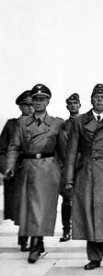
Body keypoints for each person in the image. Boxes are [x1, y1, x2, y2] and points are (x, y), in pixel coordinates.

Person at [64, 84, 103, 270]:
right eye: (96, 97)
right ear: (91, 100)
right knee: (90, 214)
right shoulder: (80, 122)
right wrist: (69, 179)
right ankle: (94, 256)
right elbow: (71, 152)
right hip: (88, 172)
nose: (100, 100)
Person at [5, 84, 64, 263]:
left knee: (44, 208)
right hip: (28, 167)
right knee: (29, 208)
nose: (38, 103)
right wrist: (10, 166)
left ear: (48, 101)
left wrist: (66, 173)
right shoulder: (22, 123)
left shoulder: (57, 123)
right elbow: (14, 146)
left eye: (42, 99)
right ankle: (35, 240)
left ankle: (37, 241)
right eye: (36, 99)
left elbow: (64, 150)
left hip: (48, 168)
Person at [0, 90, 33, 251]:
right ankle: (24, 235)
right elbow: (2, 149)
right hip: (17, 172)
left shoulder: (39, 123)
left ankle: (34, 237)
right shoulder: (12, 125)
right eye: (27, 104)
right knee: (21, 205)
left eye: (32, 104)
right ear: (20, 106)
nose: (31, 108)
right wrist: (7, 167)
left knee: (35, 204)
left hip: (35, 170)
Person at [58, 93, 81, 243]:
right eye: (70, 104)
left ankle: (81, 228)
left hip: (82, 164)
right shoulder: (63, 126)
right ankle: (67, 229)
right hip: (67, 165)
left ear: (80, 105)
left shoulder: (85, 122)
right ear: (67, 107)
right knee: (67, 199)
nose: (73, 106)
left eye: (75, 103)